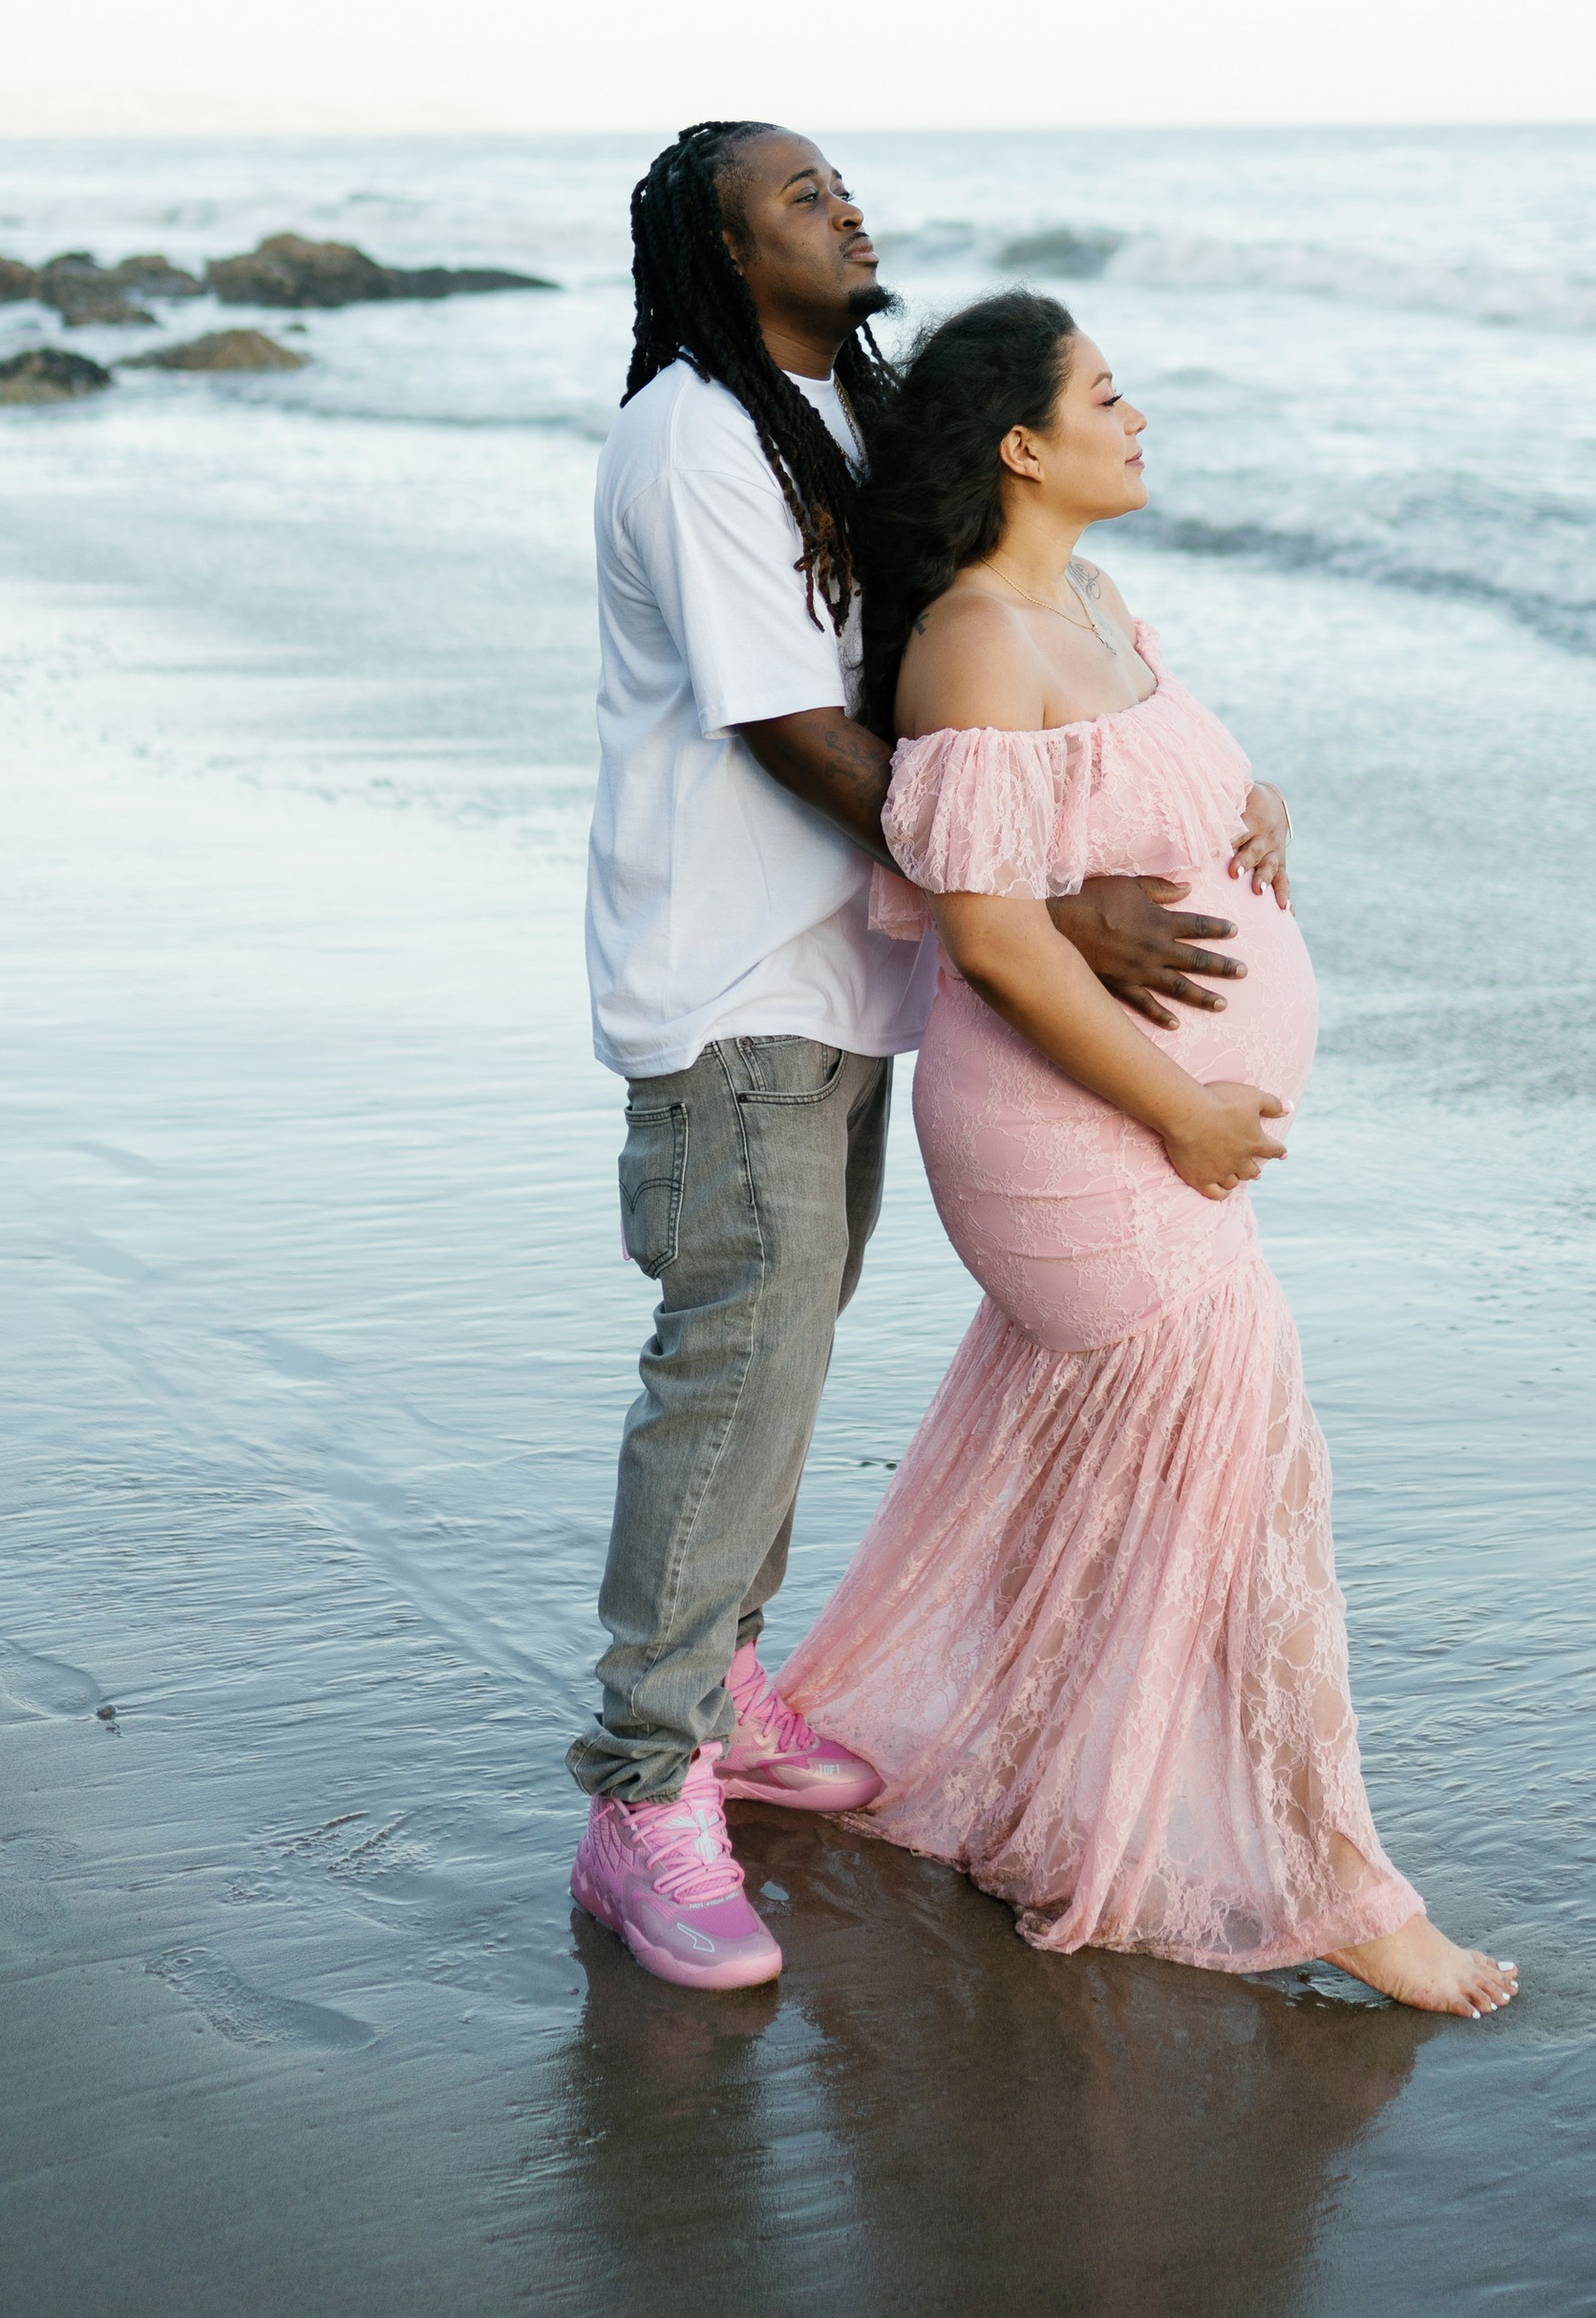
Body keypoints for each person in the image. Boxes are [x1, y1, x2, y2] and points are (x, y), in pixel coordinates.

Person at [569, 127, 1269, 1993]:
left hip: (837, 975)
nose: (844, 209)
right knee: (733, 1357)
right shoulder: (696, 437)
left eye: (841, 185)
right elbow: (799, 731)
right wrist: (1039, 902)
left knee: (785, 1345)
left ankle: (718, 1682)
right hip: (729, 977)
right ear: (719, 254)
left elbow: (975, 654)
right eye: (797, 198)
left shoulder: (833, 416)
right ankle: (640, 1795)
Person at [776, 291, 1519, 2018]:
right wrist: (1183, 1105)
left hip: (1142, 1131)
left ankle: (1027, 1780)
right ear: (1025, 446)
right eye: (1108, 396)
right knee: (1247, 1494)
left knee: (1107, 1487)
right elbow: (995, 938)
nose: (1139, 417)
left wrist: (1258, 809)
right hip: (1079, 1139)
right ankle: (1339, 1888)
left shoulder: (1096, 600)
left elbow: (1165, 782)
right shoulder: (975, 640)